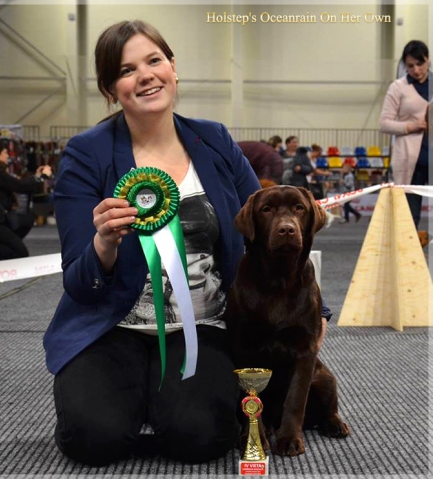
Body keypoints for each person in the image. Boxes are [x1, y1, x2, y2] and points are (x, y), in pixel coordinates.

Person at [43, 19, 332, 467]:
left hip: (203, 324)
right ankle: (135, 397)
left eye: (154, 60)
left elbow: (268, 228)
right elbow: (79, 281)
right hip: (110, 325)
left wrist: (317, 311)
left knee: (201, 438)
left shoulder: (214, 140)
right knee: (92, 440)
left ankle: (160, 401)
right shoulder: (86, 153)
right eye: (127, 70)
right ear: (110, 87)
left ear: (173, 68)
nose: (145, 75)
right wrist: (104, 243)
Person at [379, 40, 431, 231]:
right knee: (409, 218)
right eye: (410, 66)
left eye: (420, 63)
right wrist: (411, 126)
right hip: (410, 162)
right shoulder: (397, 87)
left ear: (428, 59)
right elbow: (383, 123)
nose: (416, 70)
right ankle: (407, 250)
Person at [0, 139, 52, 260]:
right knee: (20, 253)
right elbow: (21, 186)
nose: (8, 156)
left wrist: (36, 177)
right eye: (5, 152)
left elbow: (19, 184)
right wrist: (43, 176)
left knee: (27, 220)